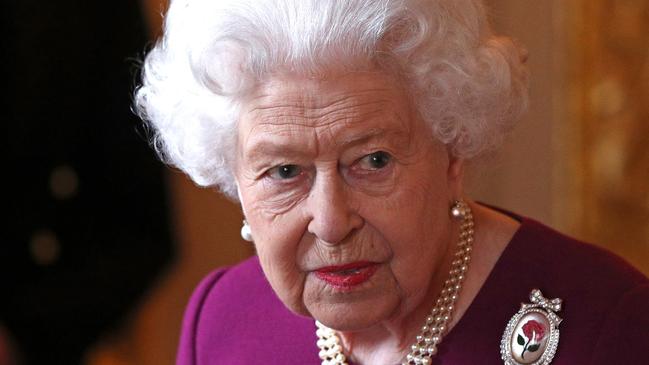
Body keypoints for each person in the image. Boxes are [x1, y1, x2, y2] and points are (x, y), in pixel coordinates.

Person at [135, 0, 649, 364]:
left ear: (452, 150)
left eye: (373, 160)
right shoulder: (223, 320)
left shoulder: (607, 326)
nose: (332, 222)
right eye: (285, 172)